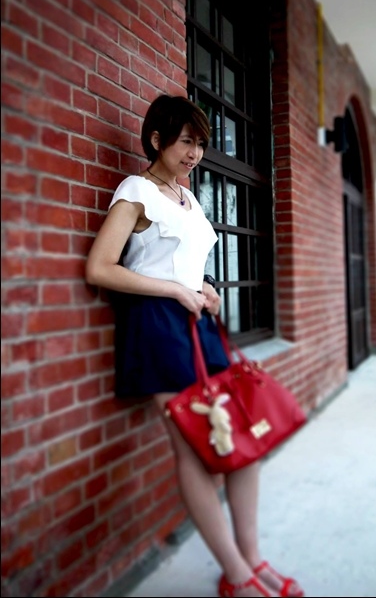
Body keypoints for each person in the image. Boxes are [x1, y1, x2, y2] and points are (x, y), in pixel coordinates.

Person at [85, 94, 304, 598]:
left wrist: (205, 285)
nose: (195, 153)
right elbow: (100, 267)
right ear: (156, 139)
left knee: (239, 434)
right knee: (192, 444)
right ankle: (236, 575)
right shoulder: (136, 190)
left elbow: (181, 260)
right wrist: (173, 290)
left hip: (196, 322)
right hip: (158, 327)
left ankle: (252, 559)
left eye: (201, 144)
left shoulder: (188, 197)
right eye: (186, 141)